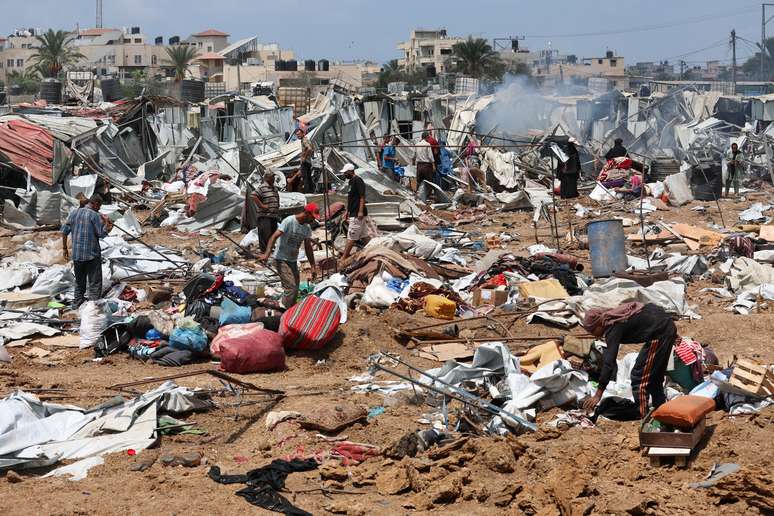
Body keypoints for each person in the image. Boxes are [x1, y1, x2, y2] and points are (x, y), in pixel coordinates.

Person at [581, 303, 678, 419]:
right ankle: (661, 409)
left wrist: (598, 395)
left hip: (659, 334)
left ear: (599, 324)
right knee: (654, 376)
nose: (593, 335)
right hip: (665, 328)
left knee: (639, 377)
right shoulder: (616, 316)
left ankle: (643, 414)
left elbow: (609, 363)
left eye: (592, 331)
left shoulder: (613, 327)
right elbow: (650, 307)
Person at [260, 204, 319, 308]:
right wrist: (267, 253)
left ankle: (290, 309)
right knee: (291, 287)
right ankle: (283, 312)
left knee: (296, 288)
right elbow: (274, 236)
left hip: (292, 260)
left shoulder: (307, 228)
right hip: (281, 259)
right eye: (312, 217)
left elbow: (308, 248)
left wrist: (313, 266)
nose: (313, 220)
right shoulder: (289, 221)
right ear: (307, 213)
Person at [61, 194, 112, 309]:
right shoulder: (94, 215)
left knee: (79, 283)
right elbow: (101, 234)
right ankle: (93, 309)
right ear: (95, 204)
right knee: (94, 283)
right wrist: (108, 225)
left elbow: (64, 231)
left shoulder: (74, 213)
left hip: (77, 255)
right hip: (91, 255)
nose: (99, 209)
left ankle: (76, 306)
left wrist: (64, 248)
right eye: (99, 206)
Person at [340, 164, 377, 261]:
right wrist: (347, 211)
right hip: (353, 212)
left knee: (351, 235)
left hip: (357, 213)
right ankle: (374, 250)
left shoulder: (358, 180)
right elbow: (351, 198)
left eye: (345, 172)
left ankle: (344, 257)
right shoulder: (351, 182)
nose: (344, 174)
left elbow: (362, 196)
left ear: (350, 171)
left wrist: (360, 211)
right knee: (364, 235)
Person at [251, 171, 280, 252]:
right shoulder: (262, 187)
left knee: (272, 234)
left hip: (273, 215)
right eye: (272, 177)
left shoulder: (274, 188)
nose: (273, 179)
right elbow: (253, 195)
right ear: (266, 178)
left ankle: (269, 250)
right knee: (265, 234)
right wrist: (262, 205)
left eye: (273, 177)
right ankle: (264, 251)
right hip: (265, 216)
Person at [414, 131, 436, 200]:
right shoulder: (427, 144)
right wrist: (433, 165)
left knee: (419, 181)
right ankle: (427, 196)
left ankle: (417, 195)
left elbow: (414, 155)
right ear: (426, 137)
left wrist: (413, 162)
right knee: (428, 181)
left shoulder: (417, 144)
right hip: (426, 165)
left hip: (419, 165)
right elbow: (430, 156)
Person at [296, 128, 315, 193]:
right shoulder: (306, 139)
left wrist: (304, 157)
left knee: (305, 177)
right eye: (297, 135)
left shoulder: (304, 140)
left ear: (302, 133)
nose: (298, 136)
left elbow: (309, 149)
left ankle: (307, 191)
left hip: (305, 161)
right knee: (308, 177)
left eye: (299, 134)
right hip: (308, 161)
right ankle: (311, 191)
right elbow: (311, 148)